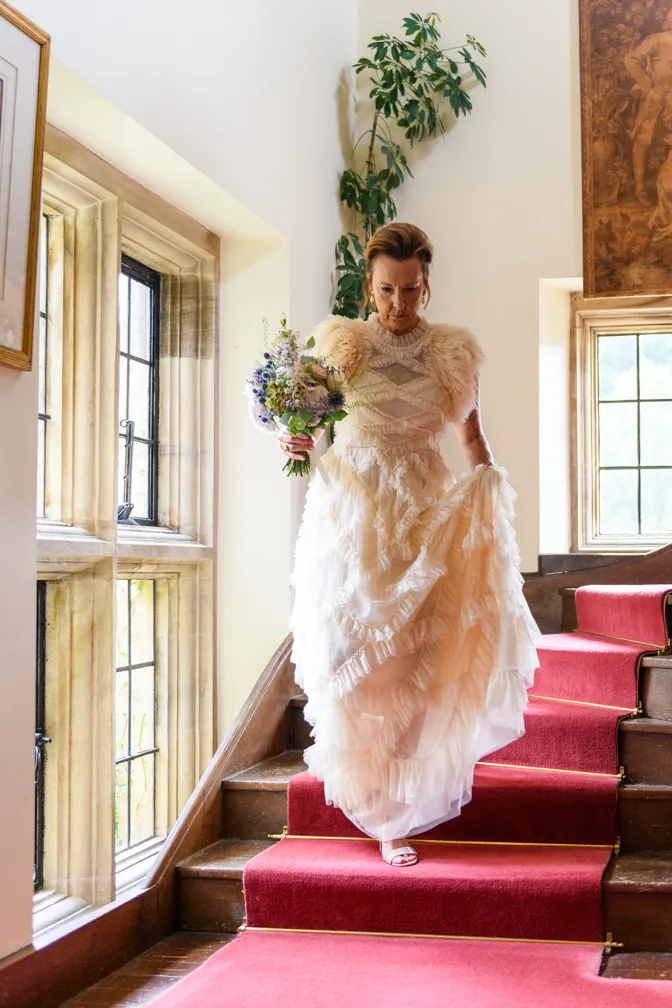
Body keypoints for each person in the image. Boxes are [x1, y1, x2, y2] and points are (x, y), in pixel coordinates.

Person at [273, 222, 539, 867]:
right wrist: (294, 440)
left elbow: (470, 437)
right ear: (369, 287)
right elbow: (305, 422)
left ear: (427, 285)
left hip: (424, 516)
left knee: (419, 665)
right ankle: (365, 791)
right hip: (353, 516)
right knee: (349, 657)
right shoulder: (341, 345)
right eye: (387, 290)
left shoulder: (452, 353)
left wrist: (490, 496)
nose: (399, 303)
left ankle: (396, 815)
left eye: (411, 289)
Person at [624, 11, 672, 206]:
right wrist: (646, 81)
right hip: (653, 94)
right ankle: (640, 187)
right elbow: (631, 59)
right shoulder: (657, 40)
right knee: (643, 139)